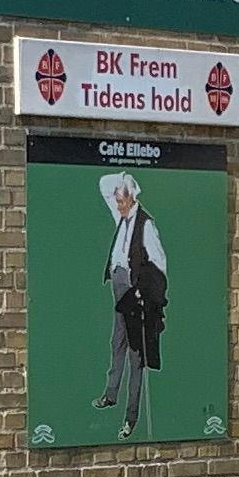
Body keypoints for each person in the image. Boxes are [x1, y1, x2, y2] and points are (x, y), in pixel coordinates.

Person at [100, 169, 167, 437]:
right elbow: (103, 185)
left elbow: (160, 265)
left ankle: (131, 417)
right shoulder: (122, 214)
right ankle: (110, 394)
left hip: (134, 289)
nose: (117, 205)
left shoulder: (146, 224)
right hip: (117, 285)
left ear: (132, 199)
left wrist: (146, 295)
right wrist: (122, 177)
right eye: (116, 201)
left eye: (121, 200)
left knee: (135, 354)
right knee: (116, 342)